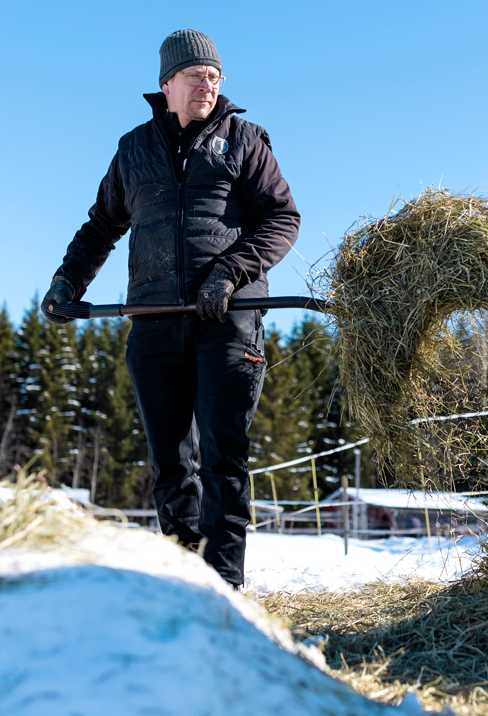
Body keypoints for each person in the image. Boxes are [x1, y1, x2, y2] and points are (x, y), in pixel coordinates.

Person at [41, 29, 300, 587]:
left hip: (226, 320)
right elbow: (102, 225)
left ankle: (224, 592)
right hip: (156, 323)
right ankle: (184, 588)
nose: (207, 84)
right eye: (195, 75)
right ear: (167, 84)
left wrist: (230, 274)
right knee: (170, 465)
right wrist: (67, 281)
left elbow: (283, 219)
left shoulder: (244, 139)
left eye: (215, 76)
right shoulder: (134, 149)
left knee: (222, 460)